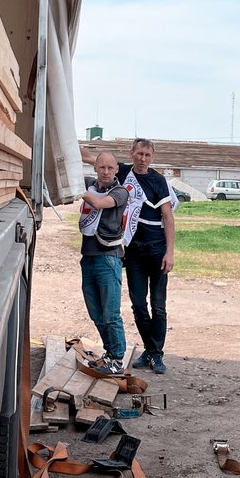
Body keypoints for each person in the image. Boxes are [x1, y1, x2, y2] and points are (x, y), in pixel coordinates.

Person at [83, 139, 177, 374]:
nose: (143, 158)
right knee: (137, 305)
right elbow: (88, 157)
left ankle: (156, 353)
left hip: (156, 248)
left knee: (158, 305)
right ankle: (148, 350)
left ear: (152, 157)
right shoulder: (122, 170)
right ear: (131, 154)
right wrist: (60, 144)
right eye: (139, 154)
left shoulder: (158, 180)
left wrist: (169, 252)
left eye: (147, 154)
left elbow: (168, 217)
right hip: (134, 250)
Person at [78, 152, 130, 375]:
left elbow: (98, 204)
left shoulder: (120, 192)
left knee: (110, 313)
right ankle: (109, 353)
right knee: (96, 312)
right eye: (102, 168)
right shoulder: (91, 184)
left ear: (117, 169)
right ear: (96, 169)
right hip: (88, 256)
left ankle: (117, 359)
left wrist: (76, 189)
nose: (106, 172)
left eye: (110, 168)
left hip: (109, 257)